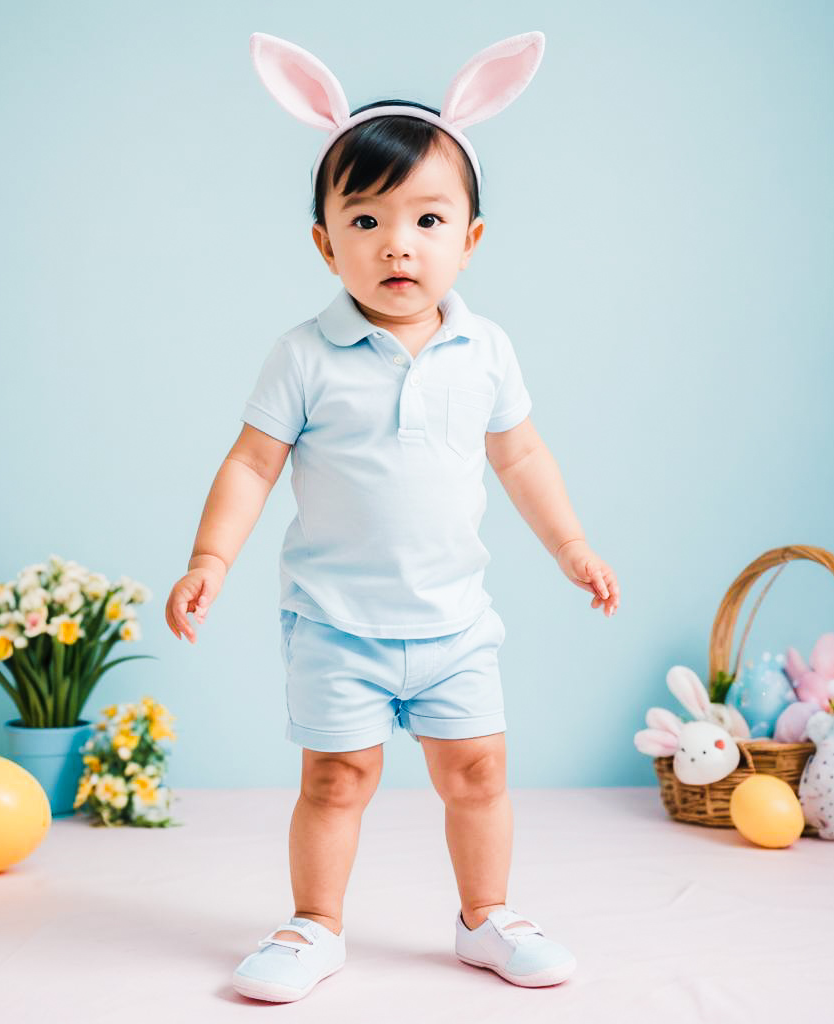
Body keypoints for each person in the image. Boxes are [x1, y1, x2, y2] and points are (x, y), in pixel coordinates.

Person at [165, 30, 620, 1003]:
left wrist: (571, 545)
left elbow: (522, 454)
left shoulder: (486, 349)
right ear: (327, 242)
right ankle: (314, 923)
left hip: (454, 622)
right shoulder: (304, 354)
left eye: (425, 218)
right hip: (336, 623)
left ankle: (485, 915)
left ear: (470, 238)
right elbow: (251, 462)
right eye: (365, 220)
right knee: (335, 779)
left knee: (481, 775)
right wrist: (211, 557)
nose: (396, 243)